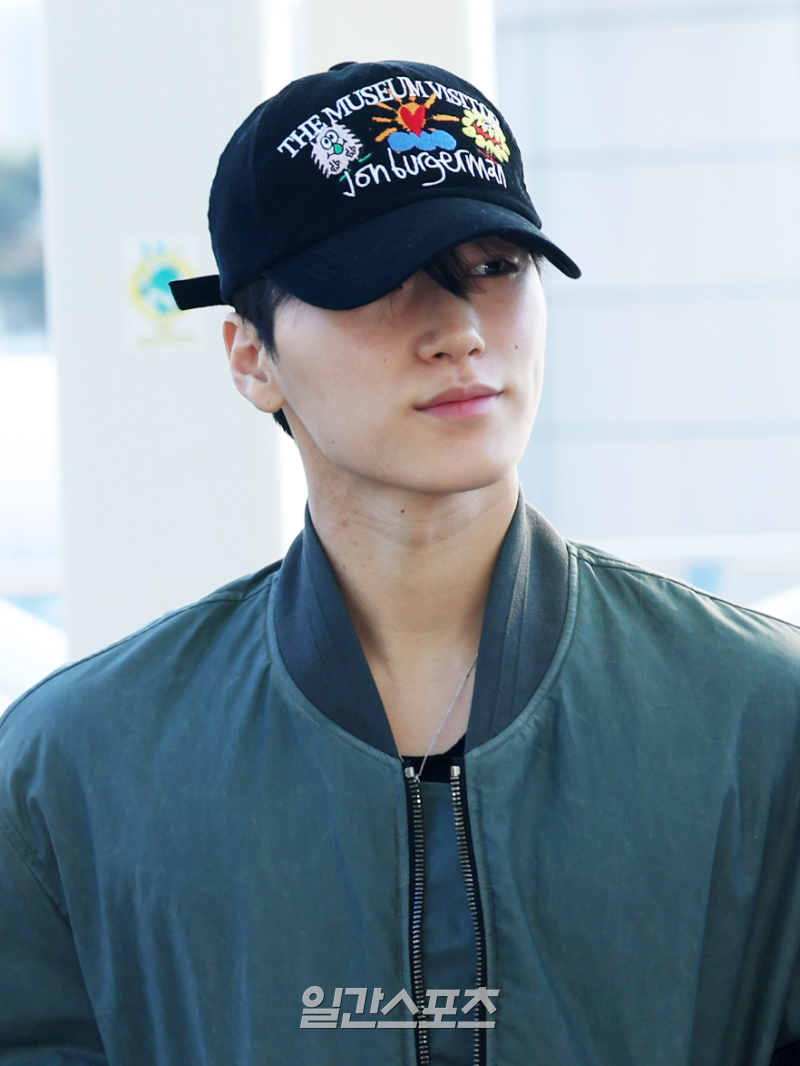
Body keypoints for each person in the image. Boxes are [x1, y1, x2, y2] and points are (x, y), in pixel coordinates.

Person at [1, 58, 800, 1066]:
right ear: (250, 355)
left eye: (496, 266)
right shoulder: (76, 769)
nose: (458, 330)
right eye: (377, 279)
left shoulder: (758, 719)